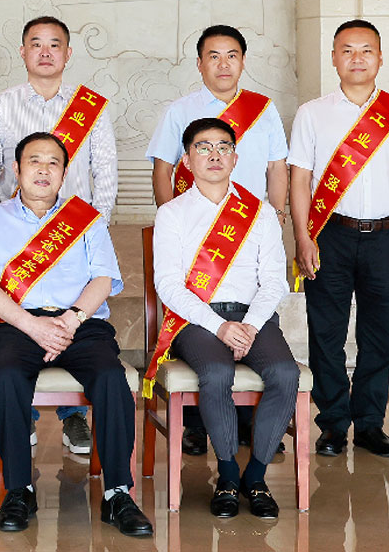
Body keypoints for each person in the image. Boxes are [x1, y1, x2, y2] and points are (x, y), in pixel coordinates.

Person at [0, 132, 151, 537]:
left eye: (53, 162)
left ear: (65, 173)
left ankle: (117, 494)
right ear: (16, 169)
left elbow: (103, 279)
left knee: (111, 378)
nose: (43, 169)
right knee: (8, 378)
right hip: (16, 324)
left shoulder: (85, 217)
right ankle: (19, 490)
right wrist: (32, 325)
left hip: (80, 323)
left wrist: (70, 321)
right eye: (34, 161)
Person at [144, 24, 290, 456]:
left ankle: (250, 427)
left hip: (250, 229)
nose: (223, 64)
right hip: (198, 245)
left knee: (258, 345)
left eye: (232, 56)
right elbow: (162, 168)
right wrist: (177, 217)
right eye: (214, 56)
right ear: (199, 63)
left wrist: (277, 214)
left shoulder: (263, 109)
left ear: (243, 61)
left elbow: (277, 167)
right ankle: (196, 425)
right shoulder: (181, 110)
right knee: (207, 352)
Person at [0, 15, 115, 455]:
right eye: (36, 43)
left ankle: (74, 417)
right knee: (17, 345)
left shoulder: (92, 106)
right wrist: (5, 225)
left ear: (68, 54)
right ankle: (23, 418)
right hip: (17, 249)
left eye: (55, 44)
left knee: (78, 334)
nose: (46, 52)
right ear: (23, 52)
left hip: (74, 241)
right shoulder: (1, 105)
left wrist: (89, 230)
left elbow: (105, 174)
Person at [288, 19, 389, 458]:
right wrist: (303, 236)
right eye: (347, 50)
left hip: (388, 238)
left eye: (366, 50)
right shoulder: (312, 113)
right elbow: (299, 181)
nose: (357, 58)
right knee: (325, 333)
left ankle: (370, 423)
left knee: (381, 335)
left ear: (380, 58)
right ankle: (332, 423)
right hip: (330, 235)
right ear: (334, 58)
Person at [142, 118, 296, 520]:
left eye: (223, 147)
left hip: (253, 318)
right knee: (215, 372)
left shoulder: (260, 212)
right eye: (203, 147)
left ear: (235, 158)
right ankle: (227, 474)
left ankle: (255, 476)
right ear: (187, 159)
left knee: (285, 373)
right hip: (197, 321)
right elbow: (168, 285)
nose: (214, 155)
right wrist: (220, 326)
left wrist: (250, 325)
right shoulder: (172, 214)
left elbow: (274, 281)